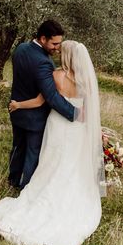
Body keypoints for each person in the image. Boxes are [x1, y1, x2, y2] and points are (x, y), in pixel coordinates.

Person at [0, 40, 105, 245]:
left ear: (66, 57)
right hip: (78, 130)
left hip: (58, 127)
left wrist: (18, 104)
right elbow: (90, 113)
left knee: (51, 163)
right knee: (71, 166)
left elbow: (41, 101)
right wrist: (97, 133)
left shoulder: (57, 76)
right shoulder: (87, 81)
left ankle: (41, 194)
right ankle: (67, 200)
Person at [6, 20, 79, 190]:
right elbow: (51, 96)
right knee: (33, 154)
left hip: (17, 109)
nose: (57, 48)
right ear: (43, 38)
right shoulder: (44, 63)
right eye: (54, 43)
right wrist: (75, 113)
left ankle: (13, 181)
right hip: (35, 117)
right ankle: (26, 190)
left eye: (59, 44)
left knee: (18, 147)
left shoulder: (21, 48)